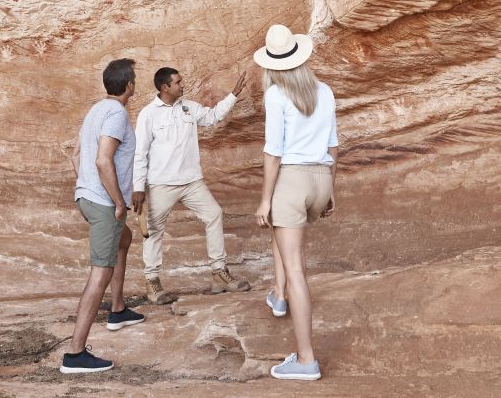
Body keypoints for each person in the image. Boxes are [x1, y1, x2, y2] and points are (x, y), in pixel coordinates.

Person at [254, 24, 338, 382]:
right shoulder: (324, 91)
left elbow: (274, 153)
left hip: (292, 178)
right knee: (281, 231)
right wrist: (330, 189)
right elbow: (333, 146)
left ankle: (306, 360)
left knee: (296, 269)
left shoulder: (276, 95)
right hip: (320, 178)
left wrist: (265, 199)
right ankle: (278, 295)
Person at [132, 66, 252, 304]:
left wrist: (233, 95)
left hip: (191, 182)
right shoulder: (149, 114)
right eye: (178, 82)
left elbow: (212, 116)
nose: (182, 85)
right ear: (165, 87)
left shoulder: (189, 106)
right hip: (161, 184)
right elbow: (140, 152)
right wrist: (138, 188)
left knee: (214, 214)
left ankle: (219, 273)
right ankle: (153, 283)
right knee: (154, 231)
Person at [60, 58, 146, 374]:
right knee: (100, 273)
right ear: (130, 86)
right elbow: (102, 160)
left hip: (88, 198)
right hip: (104, 203)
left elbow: (76, 155)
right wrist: (117, 202)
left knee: (124, 238)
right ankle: (75, 354)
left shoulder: (96, 110)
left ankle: (118, 309)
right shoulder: (117, 114)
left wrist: (86, 189)